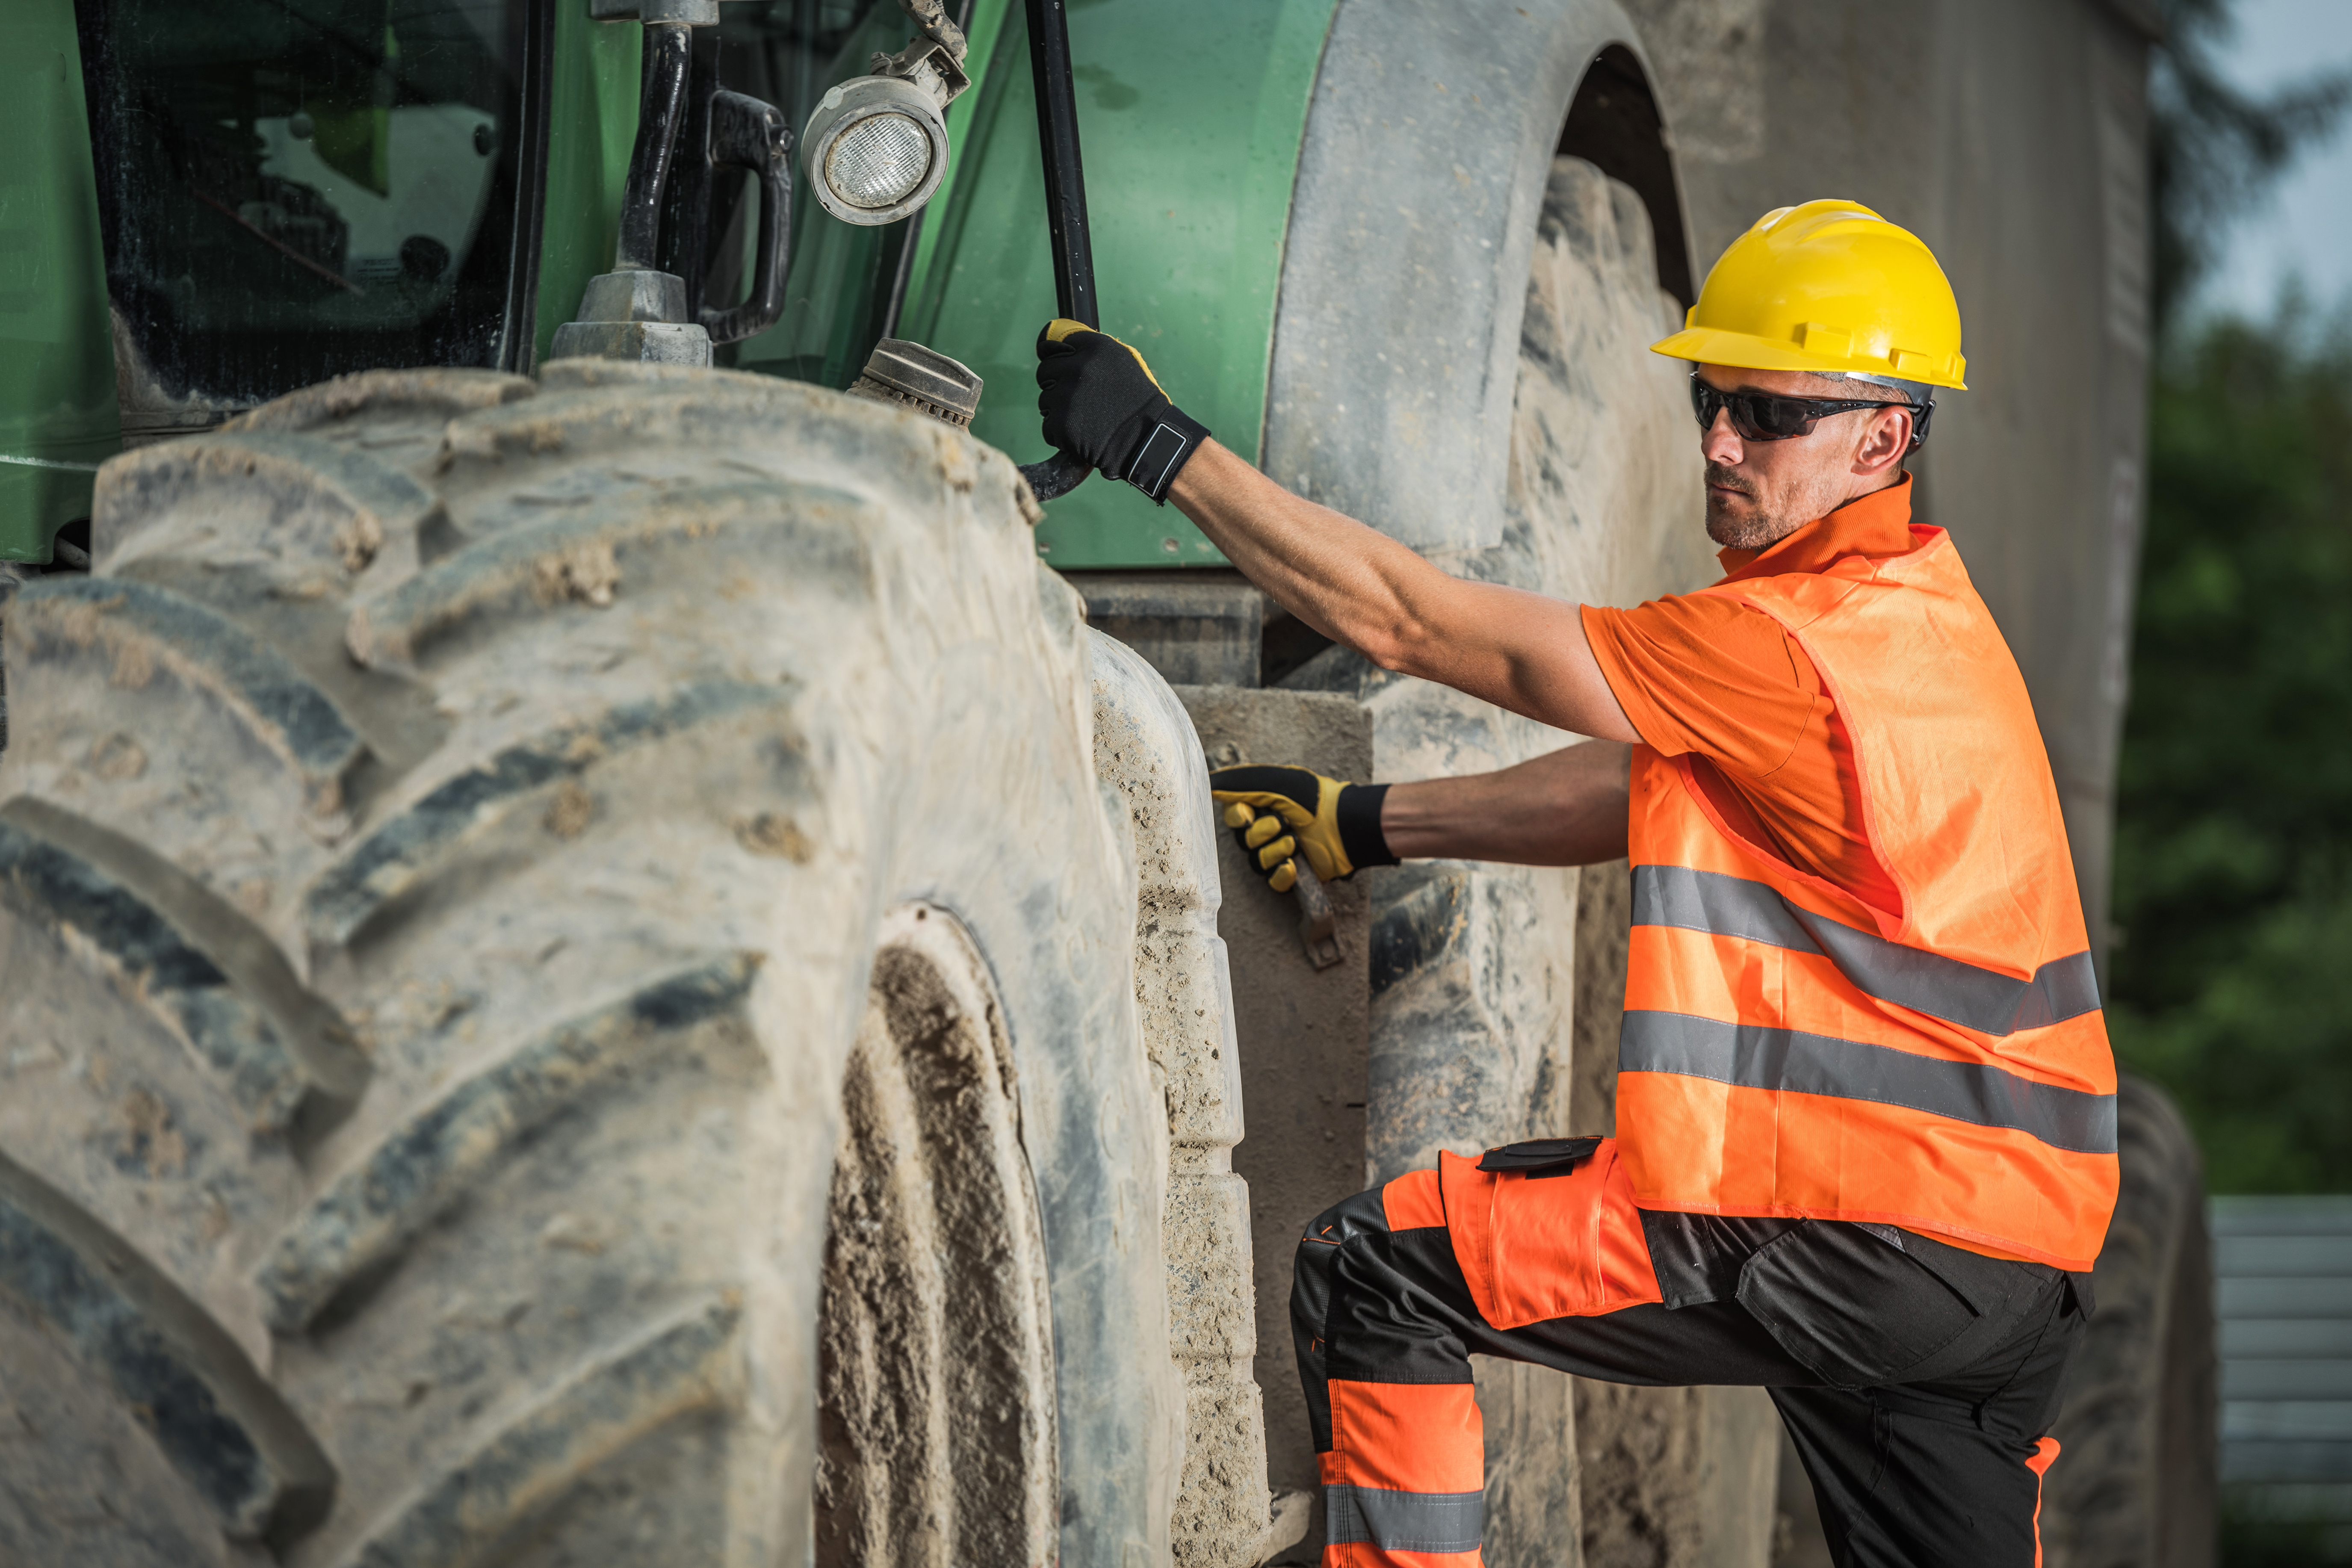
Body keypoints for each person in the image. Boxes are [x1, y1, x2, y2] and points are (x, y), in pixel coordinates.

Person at [1035, 198, 2117, 1567]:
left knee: (1378, 1267)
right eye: (1709, 400)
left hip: (1844, 1231)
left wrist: (1155, 446)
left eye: (1767, 415)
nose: (1720, 442)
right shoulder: (1922, 629)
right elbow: (1651, 785)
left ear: (1881, 436)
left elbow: (1411, 623)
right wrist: (1372, 822)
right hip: (2005, 1274)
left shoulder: (1778, 645)